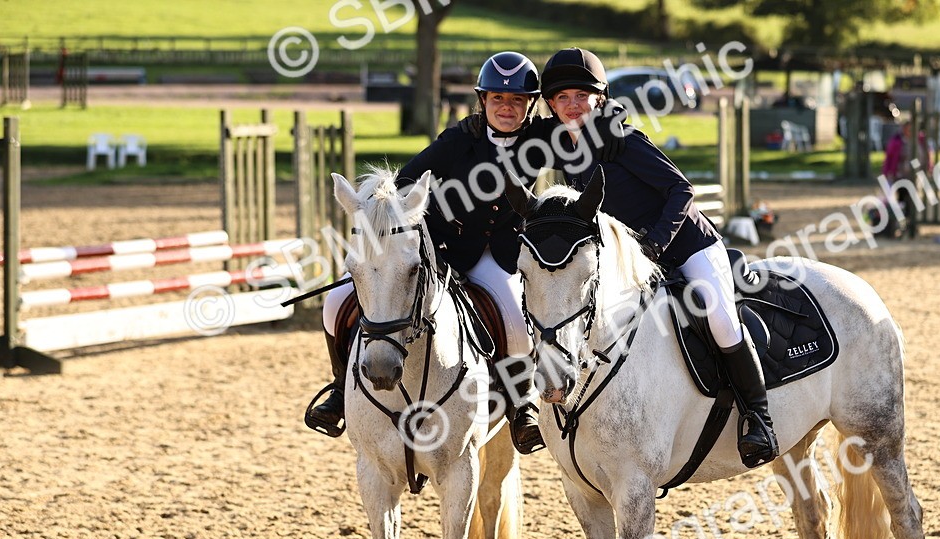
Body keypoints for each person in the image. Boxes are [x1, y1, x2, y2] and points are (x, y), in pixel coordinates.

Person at [536, 47, 779, 468]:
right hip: (633, 262)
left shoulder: (624, 141)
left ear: (600, 97)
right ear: (552, 105)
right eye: (563, 98)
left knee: (721, 320)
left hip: (686, 248)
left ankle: (759, 419)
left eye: (582, 96)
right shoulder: (567, 148)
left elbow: (681, 189)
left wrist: (655, 244)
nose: (573, 105)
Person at [306, 51, 549, 454]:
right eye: (497, 99)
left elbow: (579, 120)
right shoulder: (458, 139)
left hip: (499, 254)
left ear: (530, 105)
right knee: (334, 302)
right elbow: (404, 182)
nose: (506, 108)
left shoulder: (541, 138)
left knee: (514, 317)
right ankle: (338, 390)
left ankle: (521, 405)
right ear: (483, 100)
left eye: (517, 101)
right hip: (444, 247)